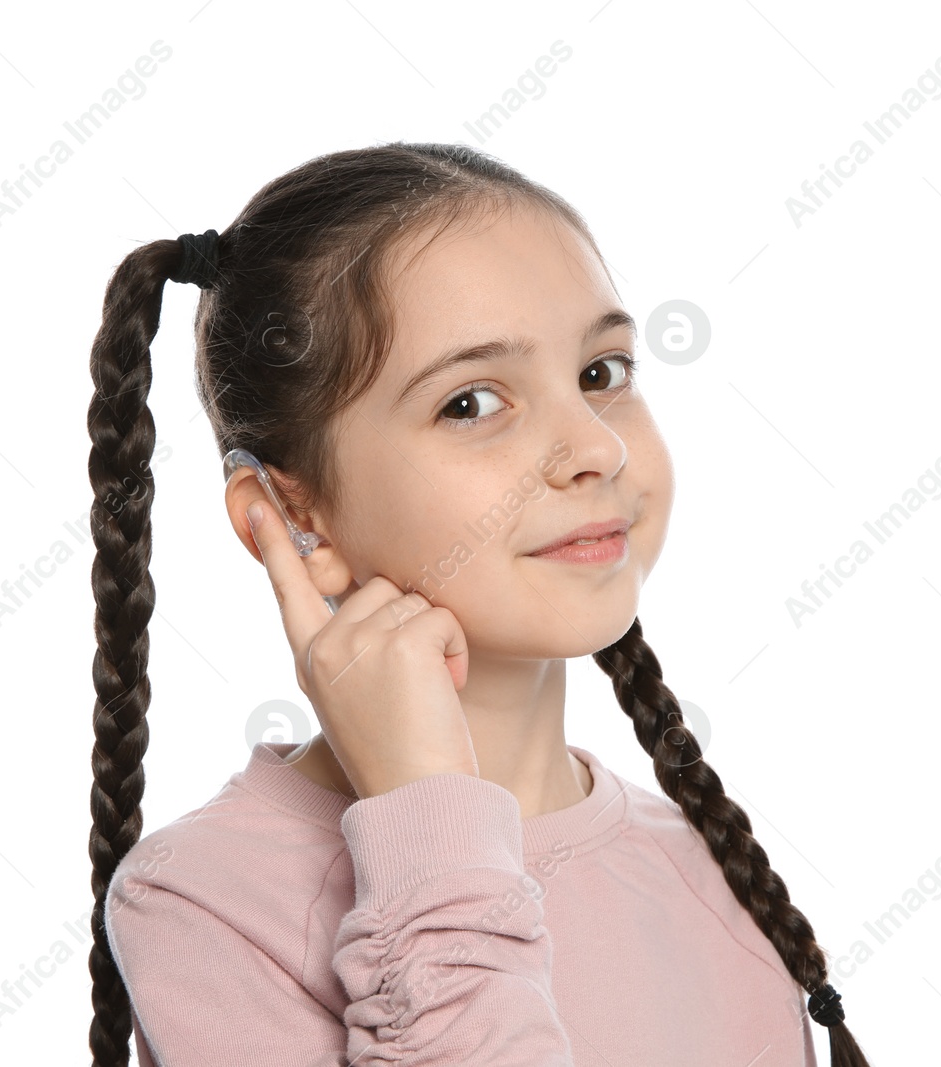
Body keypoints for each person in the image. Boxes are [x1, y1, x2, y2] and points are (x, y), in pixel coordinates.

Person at [85, 142, 870, 1066]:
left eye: (601, 373)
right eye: (472, 401)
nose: (593, 447)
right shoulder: (208, 900)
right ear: (293, 516)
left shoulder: (709, 871)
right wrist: (427, 809)